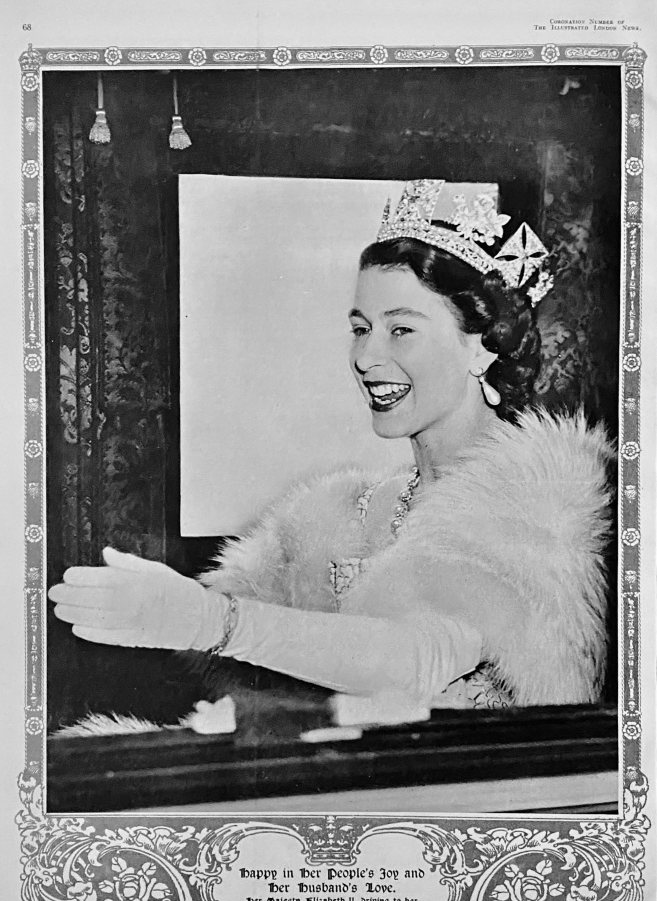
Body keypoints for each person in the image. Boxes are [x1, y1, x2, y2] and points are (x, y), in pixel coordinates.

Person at [48, 180, 614, 717]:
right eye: (360, 327)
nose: (366, 357)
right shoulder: (348, 513)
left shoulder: (543, 501)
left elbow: (416, 659)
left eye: (401, 330)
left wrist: (206, 620)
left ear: (484, 348)